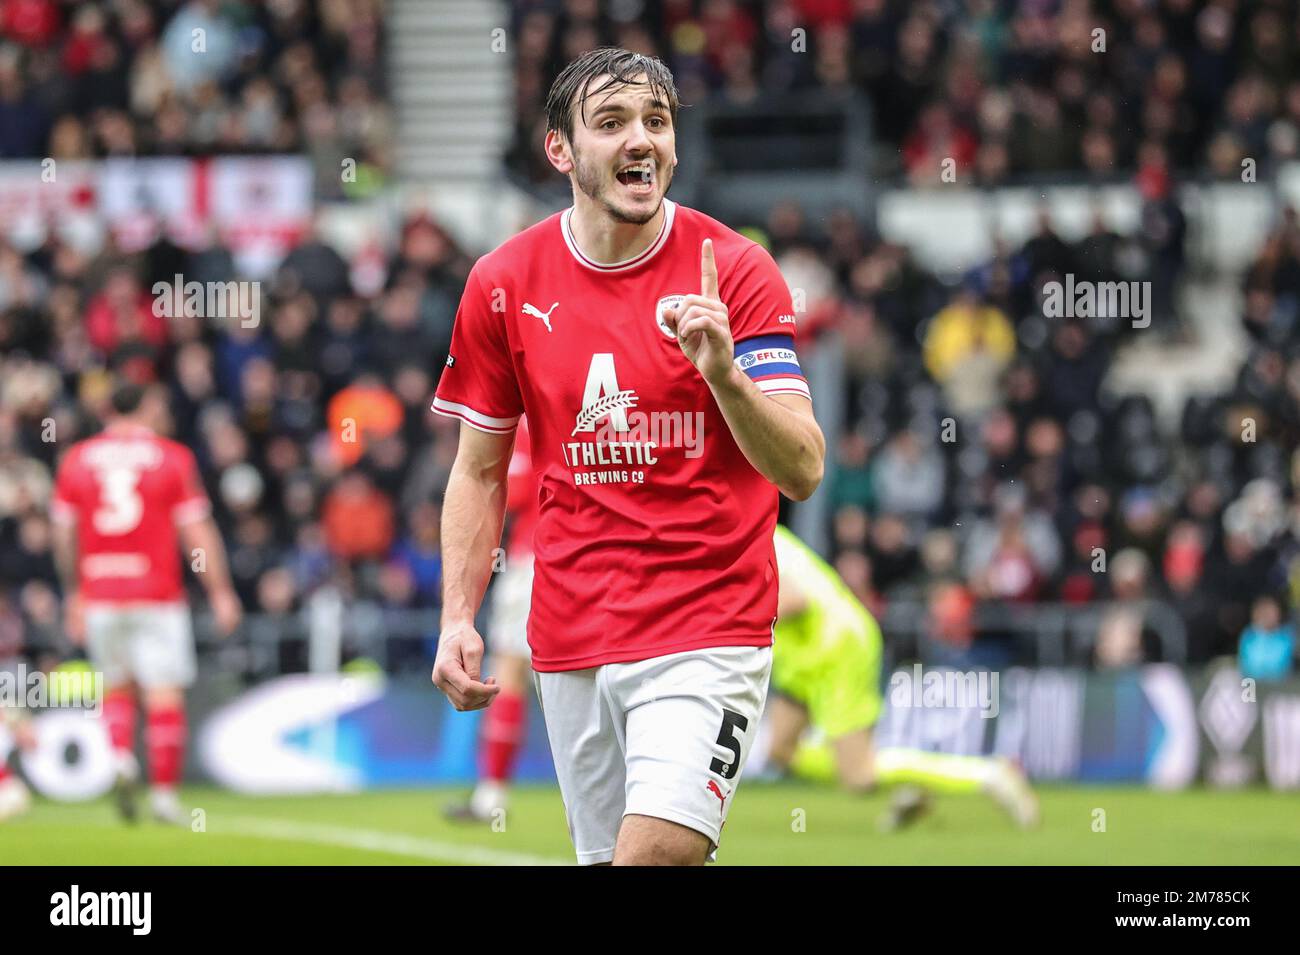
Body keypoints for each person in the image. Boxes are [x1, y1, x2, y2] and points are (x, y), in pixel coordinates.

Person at [430, 47, 825, 866]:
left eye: (657, 121)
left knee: (655, 856)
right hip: (571, 631)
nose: (640, 139)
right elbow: (476, 470)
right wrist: (457, 616)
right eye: (610, 123)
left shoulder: (739, 273)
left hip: (707, 622)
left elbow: (802, 467)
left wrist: (725, 375)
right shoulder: (504, 282)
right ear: (561, 151)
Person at [50, 381, 242, 824]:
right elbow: (197, 532)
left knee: (117, 687)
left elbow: (64, 535)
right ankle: (163, 798)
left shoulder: (76, 459)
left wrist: (74, 590)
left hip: (99, 591)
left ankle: (120, 758)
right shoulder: (171, 457)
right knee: (163, 694)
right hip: (155, 594)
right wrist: (220, 590)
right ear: (145, 407)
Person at [761, 524, 1039, 830]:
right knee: (781, 751)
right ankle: (908, 785)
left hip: (837, 646)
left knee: (860, 776)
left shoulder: (757, 535)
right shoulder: (755, 530)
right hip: (800, 654)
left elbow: (793, 599)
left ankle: (989, 774)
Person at [444, 417, 538, 823]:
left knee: (510, 672)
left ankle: (492, 796)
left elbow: (508, 489)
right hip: (585, 561)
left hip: (534, 558)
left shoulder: (528, 421)